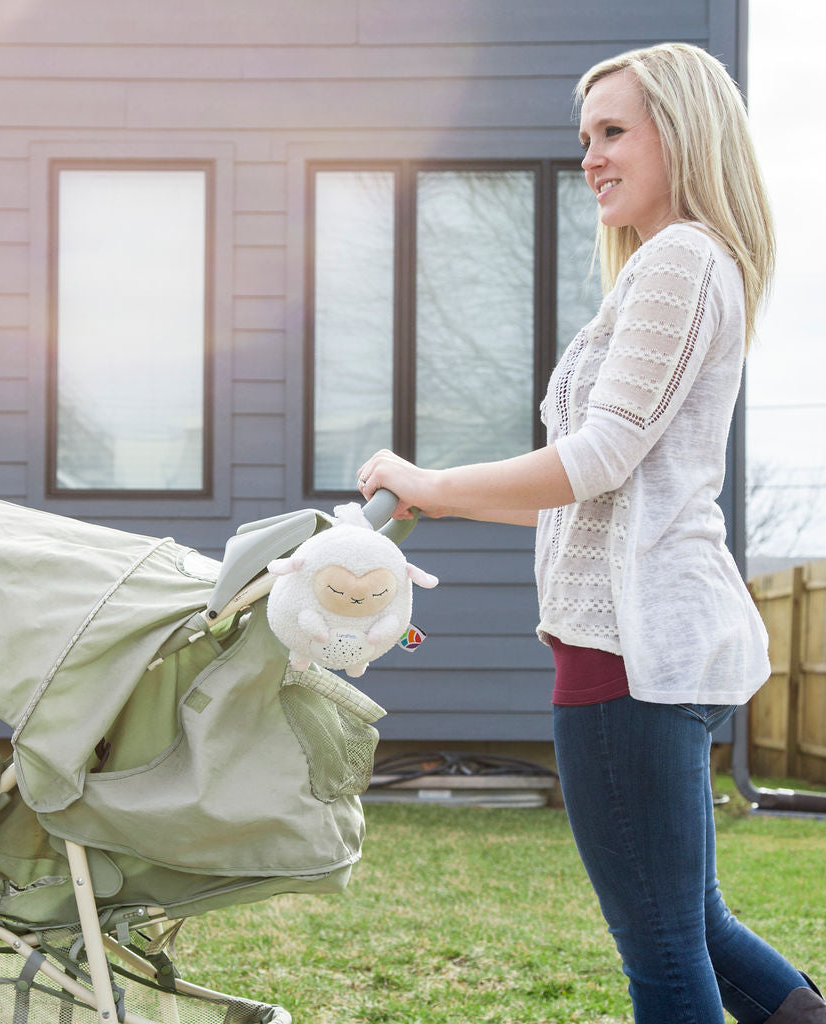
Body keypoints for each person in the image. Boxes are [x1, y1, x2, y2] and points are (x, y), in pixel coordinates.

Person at [356, 43, 825, 1024]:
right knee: (696, 930)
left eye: (614, 131)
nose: (591, 158)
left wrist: (428, 476)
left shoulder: (679, 259)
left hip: (627, 656)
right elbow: (584, 487)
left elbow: (600, 453)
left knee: (662, 952)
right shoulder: (679, 264)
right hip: (650, 649)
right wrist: (438, 500)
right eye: (585, 139)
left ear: (681, 136)